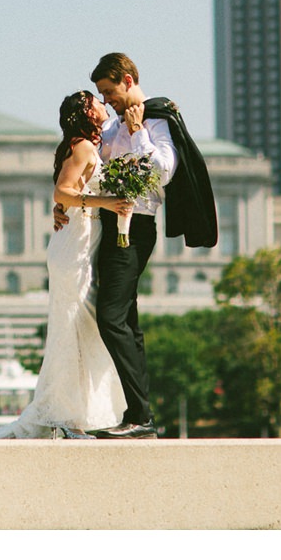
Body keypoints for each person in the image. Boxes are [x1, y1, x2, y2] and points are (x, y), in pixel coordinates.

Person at [73, 50, 217, 439]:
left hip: (134, 227)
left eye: (109, 91)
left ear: (128, 80)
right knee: (126, 322)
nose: (107, 101)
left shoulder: (155, 119)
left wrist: (138, 133)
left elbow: (162, 171)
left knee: (111, 318)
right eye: (102, 95)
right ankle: (140, 415)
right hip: (109, 225)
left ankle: (140, 416)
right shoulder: (113, 127)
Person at [0, 90, 134, 439]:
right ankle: (67, 416)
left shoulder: (83, 145)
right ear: (86, 112)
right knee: (73, 330)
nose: (103, 103)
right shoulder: (81, 147)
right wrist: (107, 203)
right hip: (74, 248)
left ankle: (74, 414)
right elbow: (63, 191)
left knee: (79, 330)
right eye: (96, 101)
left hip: (79, 243)